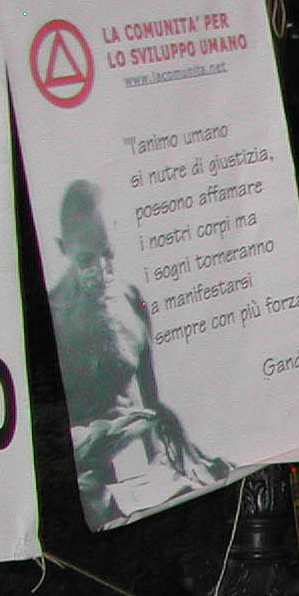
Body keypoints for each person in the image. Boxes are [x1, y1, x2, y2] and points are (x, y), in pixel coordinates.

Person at [45, 179, 227, 527]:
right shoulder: (51, 320)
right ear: (62, 248)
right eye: (87, 259)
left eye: (108, 255)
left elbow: (152, 403)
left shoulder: (130, 300)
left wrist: (169, 461)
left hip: (146, 476)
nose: (102, 271)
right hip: (87, 486)